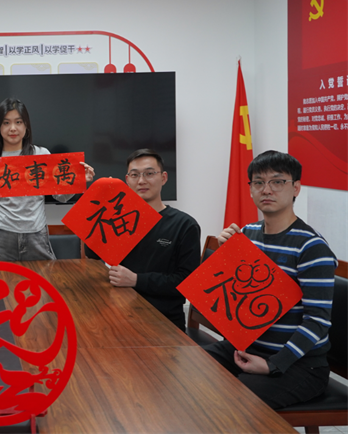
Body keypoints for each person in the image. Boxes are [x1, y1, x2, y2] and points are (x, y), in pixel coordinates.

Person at [204, 150, 336, 409]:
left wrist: (273, 364)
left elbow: (318, 321)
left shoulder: (311, 247)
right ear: (250, 189)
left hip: (299, 364)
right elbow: (236, 294)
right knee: (186, 373)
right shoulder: (247, 233)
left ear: (296, 188)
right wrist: (226, 255)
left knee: (231, 404)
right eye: (258, 182)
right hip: (246, 347)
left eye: (277, 182)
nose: (266, 190)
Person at [0, 98, 95, 261]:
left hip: (35, 235)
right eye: (6, 123)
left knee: (42, 277)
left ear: (26, 125)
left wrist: (77, 181)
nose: (13, 128)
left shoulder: (42, 155)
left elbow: (60, 197)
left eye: (18, 122)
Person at [85, 149, 201, 330]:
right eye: (135, 175)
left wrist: (136, 280)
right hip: (120, 313)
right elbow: (92, 254)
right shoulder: (120, 218)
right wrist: (100, 202)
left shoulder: (185, 225)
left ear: (163, 178)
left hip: (163, 323)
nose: (141, 181)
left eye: (149, 173)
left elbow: (186, 283)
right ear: (127, 180)